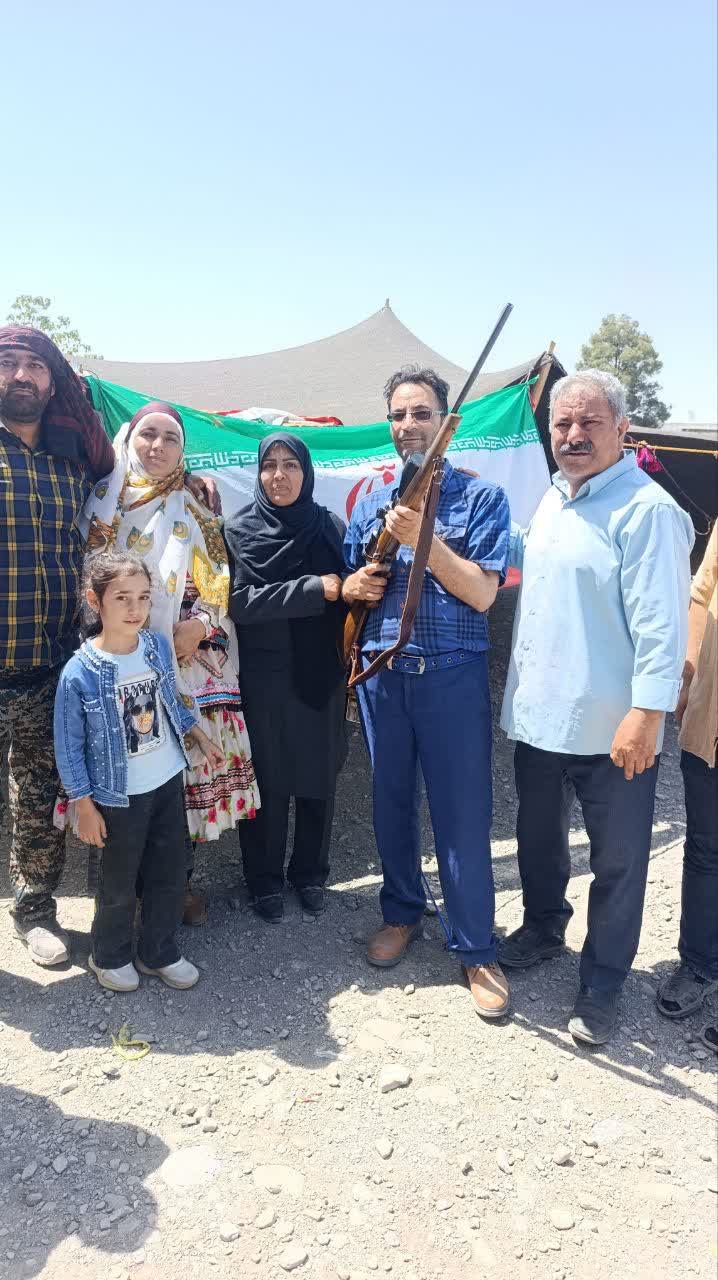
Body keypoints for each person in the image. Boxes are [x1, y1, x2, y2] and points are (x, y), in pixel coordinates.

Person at [498, 369, 694, 1045]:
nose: (574, 435)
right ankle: (543, 927)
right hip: (542, 718)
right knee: (537, 838)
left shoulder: (648, 512)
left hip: (616, 727)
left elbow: (663, 626)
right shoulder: (554, 499)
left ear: (622, 430)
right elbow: (539, 579)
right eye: (562, 424)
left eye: (590, 422)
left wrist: (648, 714)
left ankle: (603, 982)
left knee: (617, 861)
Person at [342, 366, 511, 1019]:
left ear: (445, 423)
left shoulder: (482, 498)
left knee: (462, 814)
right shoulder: (369, 502)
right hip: (382, 676)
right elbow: (356, 583)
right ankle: (401, 912)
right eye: (398, 414)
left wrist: (425, 540)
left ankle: (475, 947)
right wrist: (357, 585)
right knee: (390, 805)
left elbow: (483, 592)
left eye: (421, 413)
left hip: (452, 675)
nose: (408, 424)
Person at [73, 402, 260, 923]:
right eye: (147, 435)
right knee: (118, 774)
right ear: (128, 440)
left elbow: (218, 577)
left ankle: (175, 886)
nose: (157, 446)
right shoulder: (98, 502)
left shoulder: (195, 504)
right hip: (112, 662)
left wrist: (201, 622)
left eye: (170, 438)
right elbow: (81, 580)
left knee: (180, 780)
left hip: (184, 660)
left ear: (183, 450)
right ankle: (117, 896)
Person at [54, 551, 223, 992]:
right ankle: (109, 955)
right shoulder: (80, 672)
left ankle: (158, 951)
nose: (135, 609)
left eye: (144, 597)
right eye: (122, 598)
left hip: (166, 782)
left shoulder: (155, 647)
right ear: (95, 600)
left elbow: (169, 699)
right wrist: (83, 804)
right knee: (118, 880)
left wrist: (197, 734)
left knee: (170, 871)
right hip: (118, 796)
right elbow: (69, 747)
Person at [0, 326, 116, 967]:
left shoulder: (73, 458)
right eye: (8, 362)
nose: (21, 375)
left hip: (49, 664)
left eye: (35, 366)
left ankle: (35, 909)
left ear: (53, 383)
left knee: (40, 794)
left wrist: (194, 486)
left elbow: (129, 491)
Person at [224, 433, 347, 921]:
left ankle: (310, 874)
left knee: (319, 776)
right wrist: (314, 588)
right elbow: (239, 603)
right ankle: (264, 881)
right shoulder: (238, 531)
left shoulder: (330, 527)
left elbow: (352, 591)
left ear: (306, 473)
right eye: (269, 465)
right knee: (268, 781)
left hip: (322, 671)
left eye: (290, 464)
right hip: (264, 676)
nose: (279, 475)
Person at [656, 521, 717, 1051]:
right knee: (705, 851)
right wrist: (688, 675)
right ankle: (699, 963)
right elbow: (702, 594)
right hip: (711, 721)